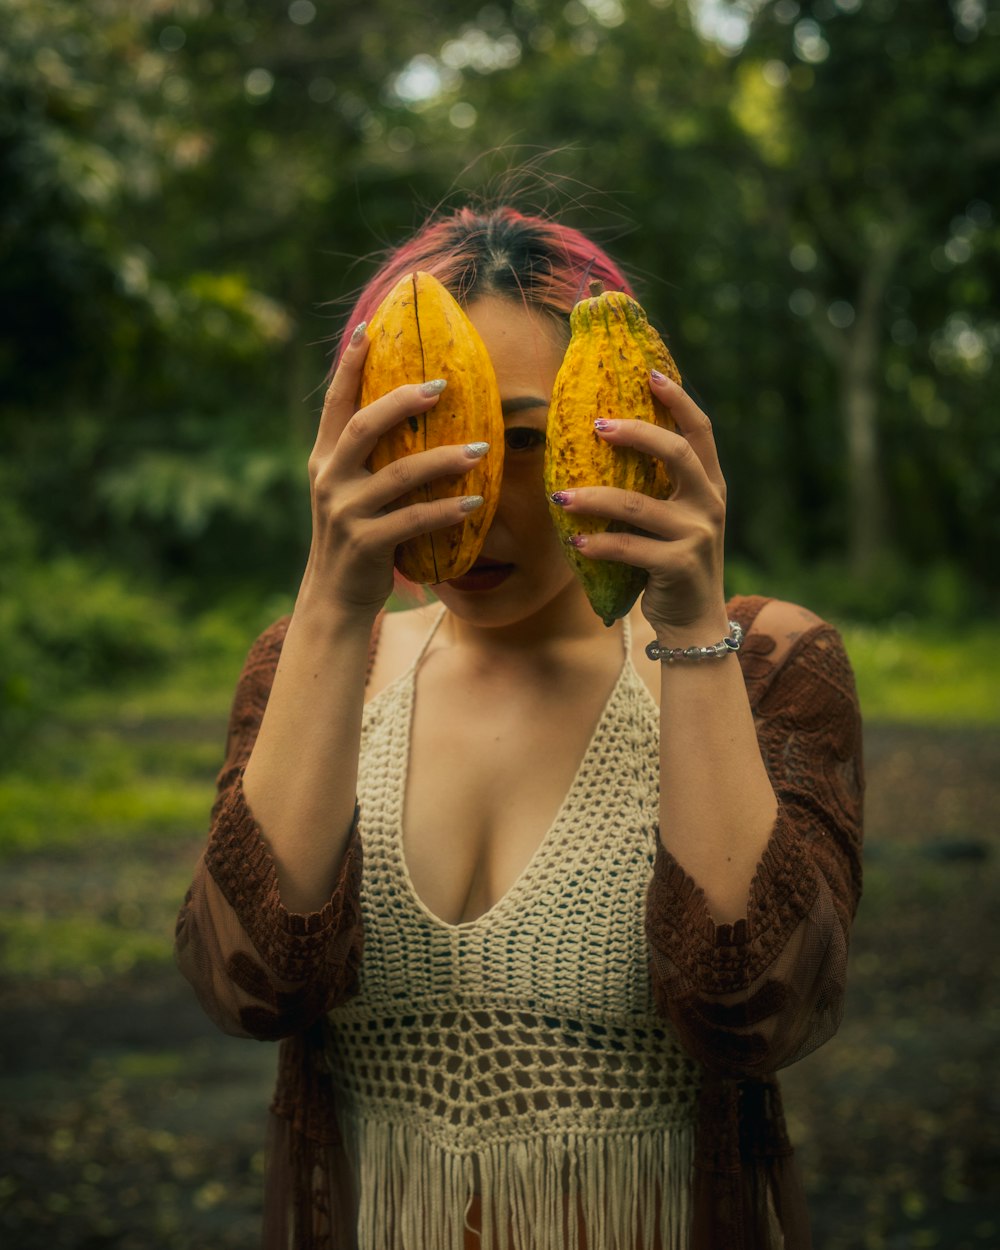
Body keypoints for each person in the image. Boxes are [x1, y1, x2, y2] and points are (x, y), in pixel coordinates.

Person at [175, 205, 864, 1250]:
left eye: (528, 437)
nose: (473, 500)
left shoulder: (762, 660)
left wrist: (687, 623)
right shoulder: (312, 668)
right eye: (428, 440)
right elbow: (247, 981)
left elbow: (757, 1006)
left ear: (625, 417)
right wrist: (330, 600)